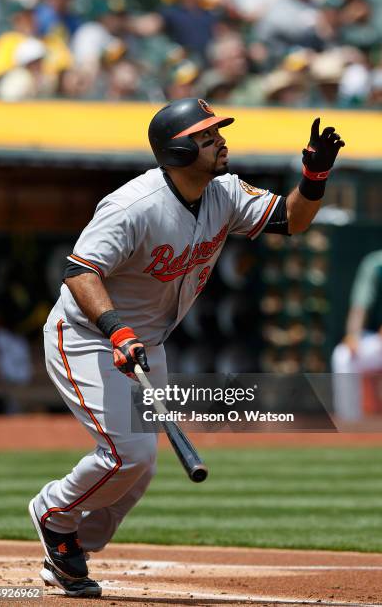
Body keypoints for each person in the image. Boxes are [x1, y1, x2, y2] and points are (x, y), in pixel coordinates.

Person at [28, 98, 344, 597]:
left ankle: (69, 550)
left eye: (217, 131)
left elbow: (291, 219)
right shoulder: (132, 205)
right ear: (176, 150)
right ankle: (53, 510)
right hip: (88, 335)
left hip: (147, 341)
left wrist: (314, 176)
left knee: (141, 468)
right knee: (125, 453)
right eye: (206, 135)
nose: (220, 140)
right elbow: (80, 272)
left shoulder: (223, 193)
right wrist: (116, 329)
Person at [331, 250, 382, 421]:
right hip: (378, 340)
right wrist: (353, 335)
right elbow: (360, 307)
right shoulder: (376, 263)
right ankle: (351, 426)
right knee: (344, 355)